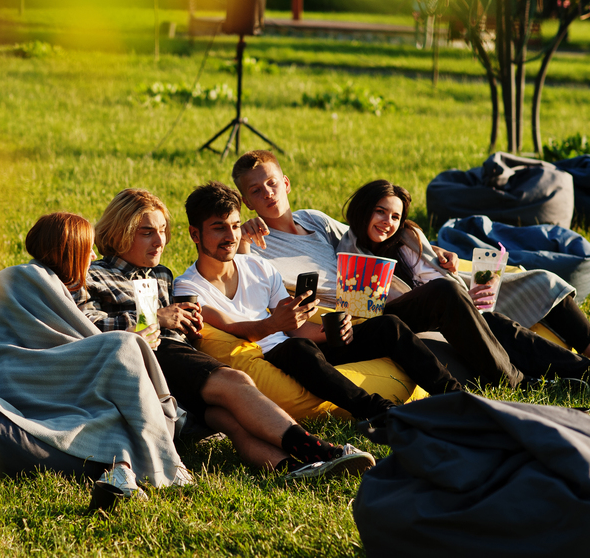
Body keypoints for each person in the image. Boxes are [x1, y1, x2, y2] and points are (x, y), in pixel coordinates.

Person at [74, 189, 376, 479]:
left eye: (163, 230)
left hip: (179, 367)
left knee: (227, 419)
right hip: (146, 360)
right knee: (235, 380)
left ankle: (292, 469)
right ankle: (318, 450)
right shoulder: (94, 275)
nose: (160, 241)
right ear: (119, 232)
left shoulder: (162, 275)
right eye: (147, 232)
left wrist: (189, 325)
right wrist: (155, 319)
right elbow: (86, 326)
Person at [230, 149, 525, 387]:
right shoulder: (253, 243)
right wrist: (243, 239)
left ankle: (509, 378)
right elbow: (249, 287)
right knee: (433, 301)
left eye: (271, 183)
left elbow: (367, 235)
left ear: (286, 183)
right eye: (256, 190)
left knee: (451, 294)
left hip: (370, 302)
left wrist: (432, 249)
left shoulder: (314, 220)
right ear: (246, 202)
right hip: (340, 324)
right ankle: (504, 382)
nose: (268, 193)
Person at [173, 182, 462, 421]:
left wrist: (333, 331)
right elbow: (232, 327)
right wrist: (275, 324)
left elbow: (297, 327)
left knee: (388, 326)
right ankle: (377, 412)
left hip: (298, 346)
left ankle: (454, 396)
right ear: (195, 234)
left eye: (235, 226)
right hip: (271, 357)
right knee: (297, 348)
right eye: (219, 228)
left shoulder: (258, 267)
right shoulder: (187, 286)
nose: (231, 236)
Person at [0, 212, 190, 499]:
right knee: (122, 348)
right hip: (16, 373)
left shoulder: (53, 282)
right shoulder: (23, 276)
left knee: (108, 406)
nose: (93, 255)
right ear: (68, 252)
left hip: (48, 366)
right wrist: (127, 340)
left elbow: (72, 336)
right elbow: (58, 338)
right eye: (87, 250)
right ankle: (165, 464)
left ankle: (121, 472)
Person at [339, 180, 590, 383]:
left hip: (457, 294)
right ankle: (553, 375)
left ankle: (584, 368)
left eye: (395, 216)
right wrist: (456, 298)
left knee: (540, 285)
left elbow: (433, 268)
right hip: (419, 315)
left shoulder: (407, 237)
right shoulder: (351, 253)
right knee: (471, 308)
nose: (388, 222)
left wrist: (441, 257)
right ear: (363, 209)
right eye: (380, 211)